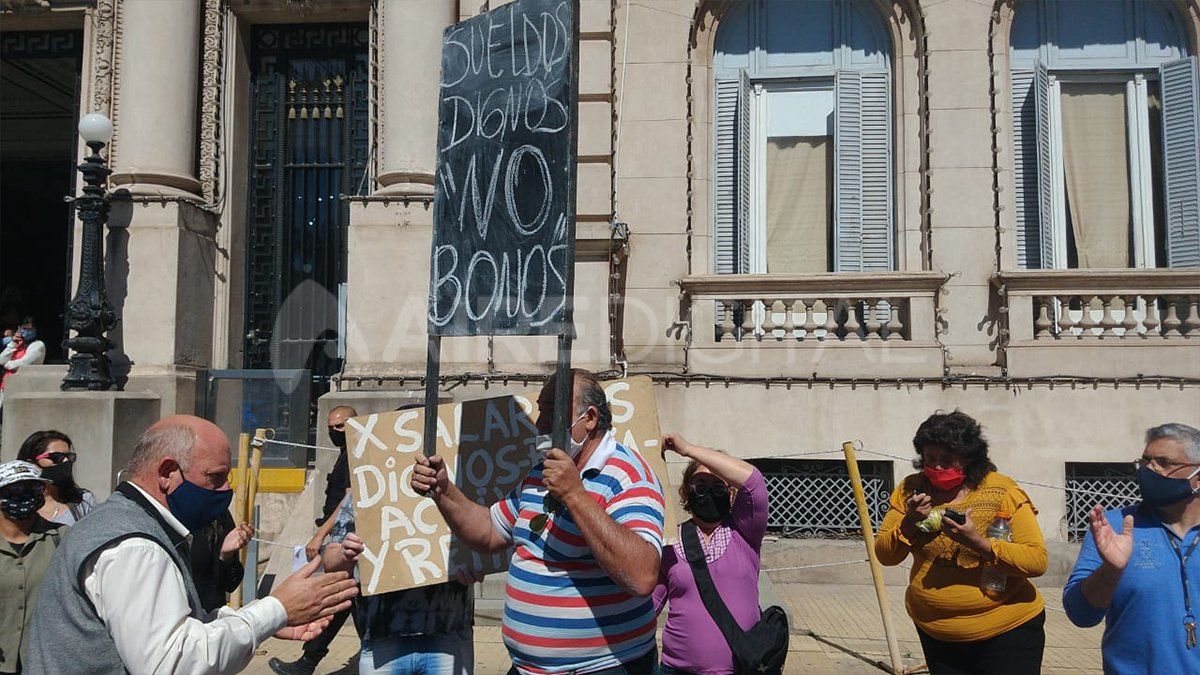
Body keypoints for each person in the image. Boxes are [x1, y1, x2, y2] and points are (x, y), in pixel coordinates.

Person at [26, 415, 359, 674]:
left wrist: (266, 622)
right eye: (214, 476)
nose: (225, 489)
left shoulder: (126, 522)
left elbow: (170, 627)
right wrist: (276, 609)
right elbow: (172, 663)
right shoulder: (134, 546)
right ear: (167, 472)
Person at [412, 368, 667, 674]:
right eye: (540, 412)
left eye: (551, 412)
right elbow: (489, 531)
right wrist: (443, 490)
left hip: (604, 668)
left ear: (589, 418)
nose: (540, 423)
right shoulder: (539, 474)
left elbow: (641, 576)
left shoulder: (628, 476)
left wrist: (575, 495)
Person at [875, 410, 1048, 674]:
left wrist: (978, 543)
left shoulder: (1001, 491)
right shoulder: (911, 490)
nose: (938, 467)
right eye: (930, 459)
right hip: (937, 634)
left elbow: (1036, 561)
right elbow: (886, 556)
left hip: (1007, 630)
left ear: (969, 459)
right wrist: (909, 522)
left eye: (947, 460)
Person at [1064, 422, 1200, 674]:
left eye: (1163, 462)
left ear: (1197, 476)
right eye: (1145, 461)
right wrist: (1111, 570)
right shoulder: (1113, 526)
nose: (1149, 470)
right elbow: (1080, 615)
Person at [320, 487, 475, 673]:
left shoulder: (459, 484)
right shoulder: (368, 486)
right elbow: (330, 559)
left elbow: (488, 535)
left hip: (449, 634)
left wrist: (479, 561)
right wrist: (345, 554)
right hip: (383, 637)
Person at [653, 434, 769, 675]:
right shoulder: (671, 541)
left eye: (718, 487)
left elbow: (753, 481)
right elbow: (650, 604)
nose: (709, 493)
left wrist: (689, 450)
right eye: (700, 486)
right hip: (675, 669)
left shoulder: (744, 532)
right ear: (685, 492)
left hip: (739, 668)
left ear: (730, 493)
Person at [269, 405, 360, 675]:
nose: (334, 432)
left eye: (340, 427)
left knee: (346, 599)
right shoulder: (344, 455)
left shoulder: (354, 455)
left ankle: (309, 662)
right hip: (341, 540)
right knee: (342, 601)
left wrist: (321, 534)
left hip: (348, 541)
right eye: (330, 427)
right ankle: (308, 662)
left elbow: (349, 500)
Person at [0, 461, 63, 674]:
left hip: (42, 662)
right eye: (17, 488)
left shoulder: (62, 538)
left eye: (34, 488)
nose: (25, 494)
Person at [16, 430, 96, 525]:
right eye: (56, 457)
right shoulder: (11, 503)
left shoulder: (83, 501)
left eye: (69, 456)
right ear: (30, 463)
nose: (66, 461)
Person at [190, 510, 253, 613]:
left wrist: (226, 556)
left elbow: (230, 584)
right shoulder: (171, 513)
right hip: (177, 617)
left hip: (210, 617)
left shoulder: (219, 513)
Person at [0, 317, 45, 411]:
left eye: (30, 329)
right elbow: (1, 360)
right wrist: (13, 344)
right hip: (6, 386)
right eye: (24, 329)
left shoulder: (38, 345)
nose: (26, 332)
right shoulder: (18, 344)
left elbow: (24, 363)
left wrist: (8, 364)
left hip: (23, 387)